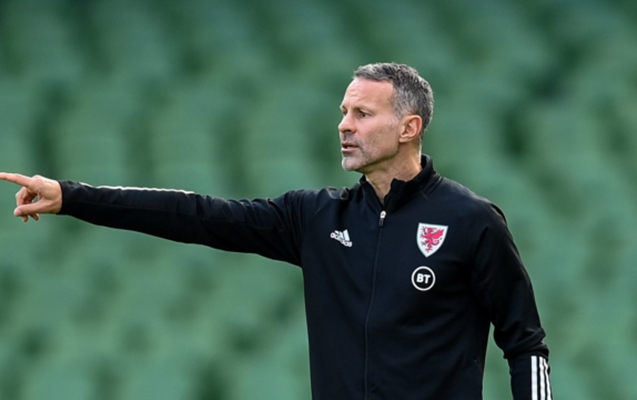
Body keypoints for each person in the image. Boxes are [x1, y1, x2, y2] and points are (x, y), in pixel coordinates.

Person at [0, 62, 552, 400]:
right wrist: (73, 196)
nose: (343, 125)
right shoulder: (316, 217)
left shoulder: (471, 220)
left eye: (362, 114)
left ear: (409, 127)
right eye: (343, 111)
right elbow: (197, 214)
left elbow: (525, 344)